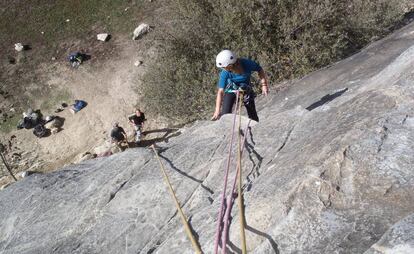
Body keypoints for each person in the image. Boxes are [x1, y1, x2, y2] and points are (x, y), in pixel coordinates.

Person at [211, 50, 269, 122]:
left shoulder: (247, 63)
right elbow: (220, 91)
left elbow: (259, 69)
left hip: (246, 89)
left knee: (253, 115)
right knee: (225, 115)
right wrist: (217, 110)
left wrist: (264, 85)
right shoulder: (225, 72)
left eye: (224, 67)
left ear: (230, 65)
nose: (223, 69)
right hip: (231, 90)